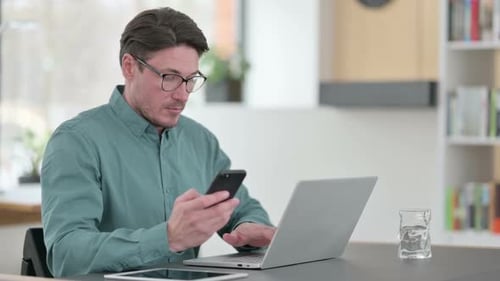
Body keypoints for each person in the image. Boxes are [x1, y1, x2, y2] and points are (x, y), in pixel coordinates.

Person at [41, 7, 275, 278]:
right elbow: (67, 255)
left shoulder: (200, 141)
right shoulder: (76, 142)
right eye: (170, 77)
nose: (183, 95)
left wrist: (250, 227)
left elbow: (243, 208)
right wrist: (167, 237)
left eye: (190, 80)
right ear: (129, 67)